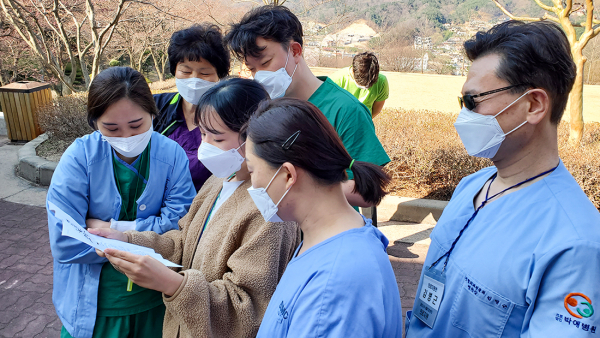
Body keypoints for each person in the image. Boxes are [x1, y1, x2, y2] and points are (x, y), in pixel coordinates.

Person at [405, 21, 600, 337]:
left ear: (533, 105)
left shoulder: (575, 245)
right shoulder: (473, 185)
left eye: (472, 101)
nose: (463, 115)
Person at [89, 78, 301, 338]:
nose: (206, 146)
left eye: (218, 137)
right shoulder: (219, 181)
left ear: (255, 137)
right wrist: (128, 239)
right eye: (203, 134)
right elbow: (184, 241)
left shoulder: (269, 210)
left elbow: (248, 309)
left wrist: (172, 284)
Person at [46, 67, 196, 338]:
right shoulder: (79, 157)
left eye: (137, 125)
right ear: (94, 123)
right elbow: (65, 242)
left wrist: (113, 229)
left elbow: (182, 226)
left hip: (155, 301)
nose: (126, 137)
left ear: (153, 114)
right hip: (97, 307)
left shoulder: (171, 154)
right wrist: (149, 237)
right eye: (111, 128)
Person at [244, 98, 402, 337]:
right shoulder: (327, 239)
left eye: (253, 170)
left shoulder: (336, 284)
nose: (252, 183)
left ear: (287, 174)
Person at [224, 5, 390, 209]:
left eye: (265, 63)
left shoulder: (345, 110)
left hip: (322, 235)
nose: (259, 76)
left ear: (295, 51)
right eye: (252, 69)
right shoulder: (263, 107)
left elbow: (369, 193)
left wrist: (299, 186)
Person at [153, 23, 230, 191]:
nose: (194, 80)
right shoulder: (154, 107)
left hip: (203, 210)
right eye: (186, 72)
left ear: (220, 76)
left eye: (204, 73)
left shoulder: (230, 118)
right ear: (174, 71)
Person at [330, 52, 389, 118]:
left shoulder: (381, 81)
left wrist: (362, 122)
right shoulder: (335, 80)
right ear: (353, 71)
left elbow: (376, 109)